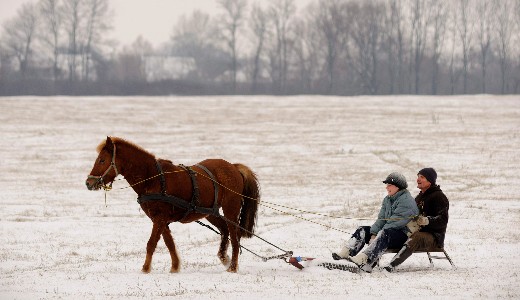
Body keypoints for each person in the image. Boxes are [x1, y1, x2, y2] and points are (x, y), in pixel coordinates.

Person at [332, 172, 419, 272]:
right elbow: (381, 219)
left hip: (403, 235)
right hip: (387, 232)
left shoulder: (406, 201)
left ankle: (365, 259)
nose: (387, 187)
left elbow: (395, 223)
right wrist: (373, 233)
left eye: (389, 185)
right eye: (386, 185)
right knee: (363, 230)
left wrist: (377, 236)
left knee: (384, 233)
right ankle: (346, 253)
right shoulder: (388, 199)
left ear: (398, 187)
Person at [383, 167, 449, 272]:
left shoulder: (439, 196)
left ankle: (392, 264)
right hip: (415, 231)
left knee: (416, 237)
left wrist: (427, 220)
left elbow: (443, 220)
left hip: (434, 237)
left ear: (430, 180)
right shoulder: (419, 197)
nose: (418, 179)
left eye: (422, 177)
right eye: (418, 176)